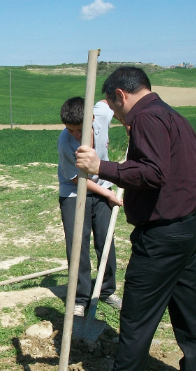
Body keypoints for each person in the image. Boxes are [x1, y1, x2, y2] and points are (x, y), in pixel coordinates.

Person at [70, 66, 196, 371]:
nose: (117, 118)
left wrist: (103, 166)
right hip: (187, 227)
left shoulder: (147, 120)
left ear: (121, 95)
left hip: (162, 237)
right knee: (187, 305)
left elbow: (153, 173)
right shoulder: (173, 116)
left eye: (115, 110)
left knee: (135, 320)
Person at [58, 97, 123, 316]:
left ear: (92, 118)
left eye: (79, 130)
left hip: (103, 184)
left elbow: (112, 102)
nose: (76, 135)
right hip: (74, 192)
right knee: (78, 244)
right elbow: (78, 179)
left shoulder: (101, 114)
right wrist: (108, 193)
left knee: (105, 240)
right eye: (70, 130)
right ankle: (80, 297)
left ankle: (106, 290)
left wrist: (130, 123)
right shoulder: (65, 142)